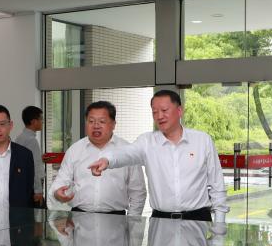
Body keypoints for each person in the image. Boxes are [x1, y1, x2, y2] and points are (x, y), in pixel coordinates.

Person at [88, 90, 228, 227]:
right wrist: (107, 160)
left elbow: (217, 184)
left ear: (179, 111)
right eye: (154, 112)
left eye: (164, 110)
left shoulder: (202, 140)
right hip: (161, 220)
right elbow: (126, 153)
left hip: (198, 219)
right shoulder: (147, 142)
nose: (159, 116)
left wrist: (220, 224)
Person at [49, 100, 146, 215]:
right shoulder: (74, 150)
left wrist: (132, 220)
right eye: (91, 121)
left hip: (115, 218)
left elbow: (137, 191)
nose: (96, 126)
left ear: (113, 124)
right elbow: (61, 180)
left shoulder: (127, 151)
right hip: (78, 217)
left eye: (102, 121)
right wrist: (57, 193)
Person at [14, 105, 46, 207]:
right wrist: (38, 190)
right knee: (39, 214)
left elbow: (24, 162)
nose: (43, 122)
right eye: (41, 119)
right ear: (34, 122)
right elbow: (34, 166)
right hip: (34, 185)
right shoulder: (32, 141)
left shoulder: (20, 137)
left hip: (24, 183)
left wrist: (40, 158)